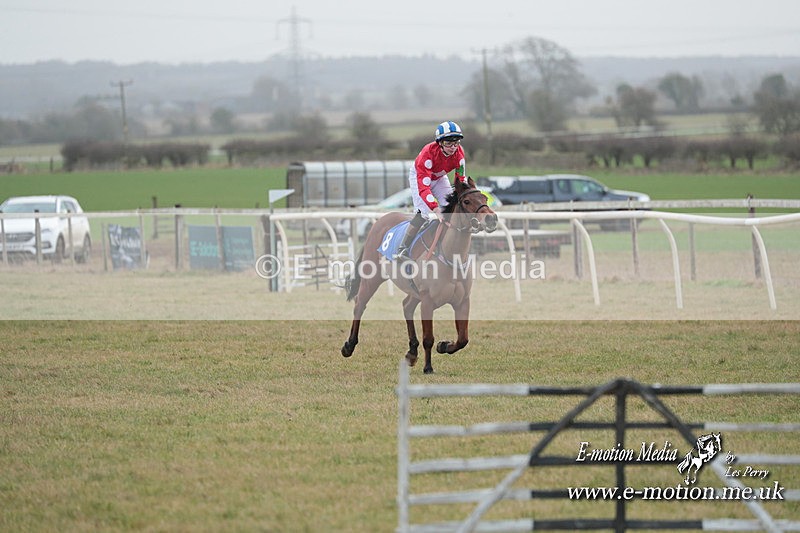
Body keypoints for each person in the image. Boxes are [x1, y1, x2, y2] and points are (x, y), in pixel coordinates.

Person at [395, 121, 466, 260]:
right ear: (439, 143)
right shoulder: (428, 154)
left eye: (456, 143)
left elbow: (460, 181)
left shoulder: (459, 154)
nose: (453, 147)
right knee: (423, 214)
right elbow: (424, 189)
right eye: (448, 143)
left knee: (450, 208)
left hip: (439, 177)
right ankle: (403, 248)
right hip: (420, 177)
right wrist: (436, 209)